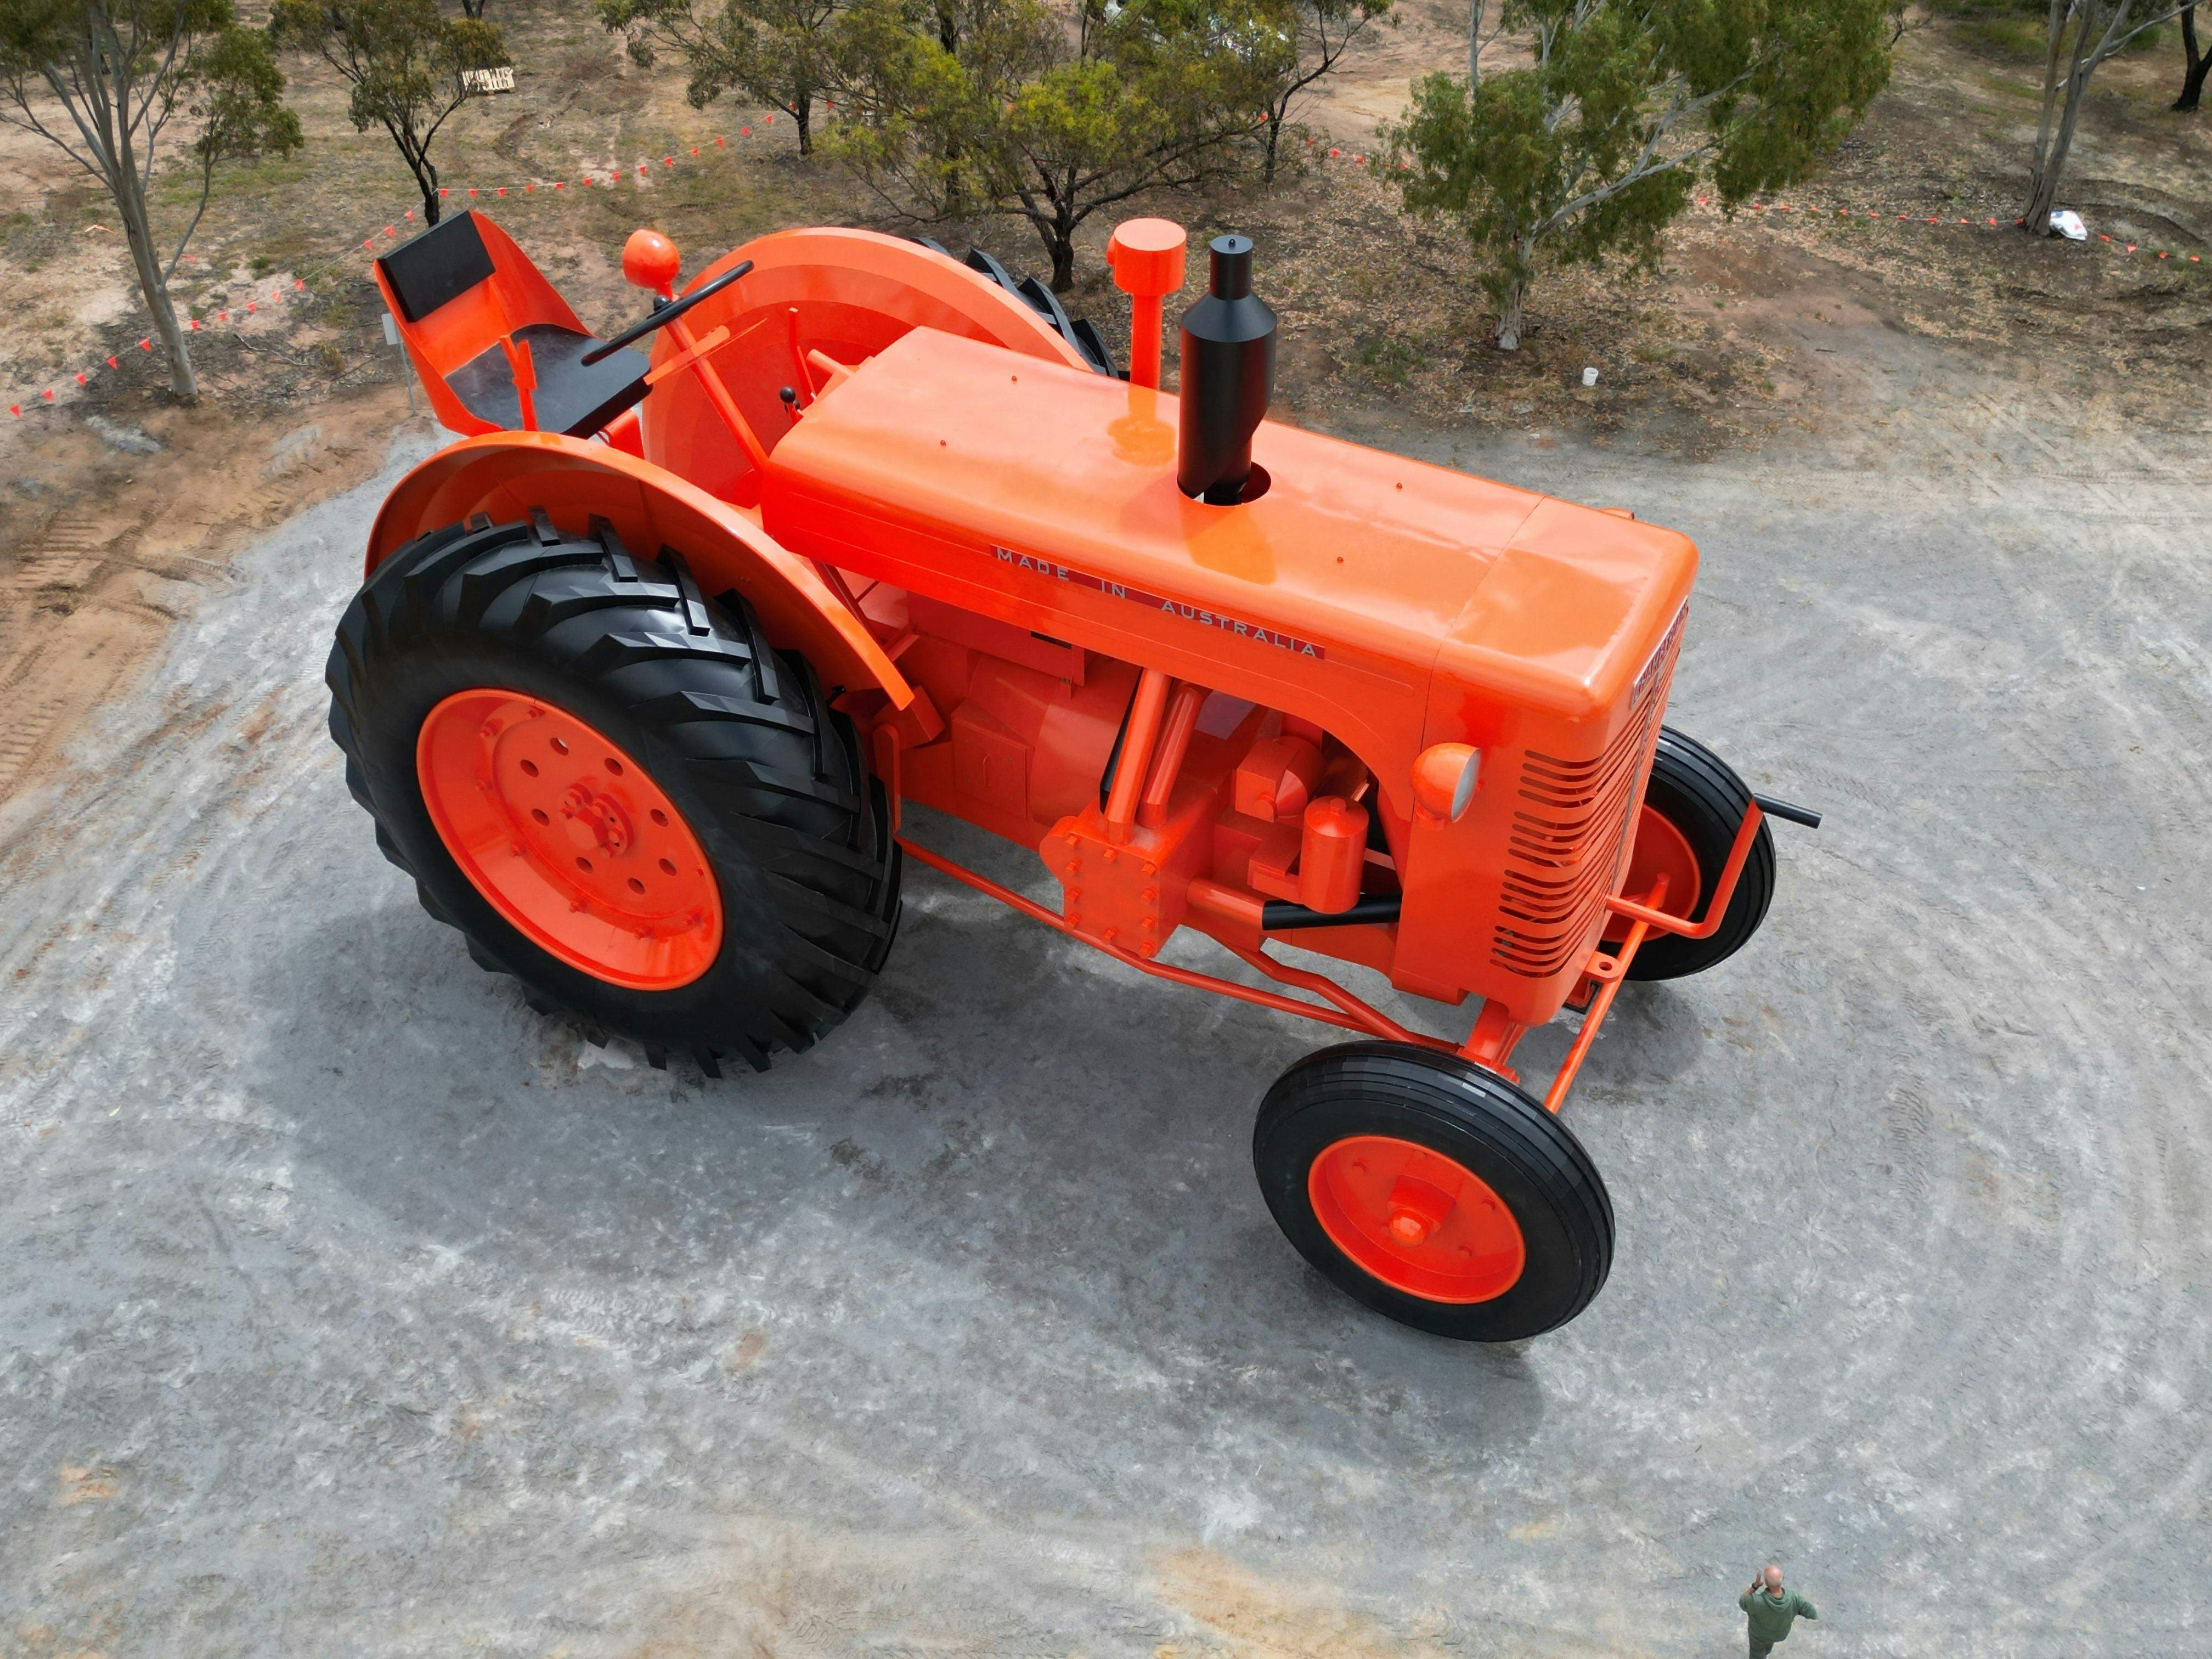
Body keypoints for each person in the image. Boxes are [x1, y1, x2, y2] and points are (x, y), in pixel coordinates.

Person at [1739, 1564, 1817, 1658]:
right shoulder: (1794, 1598)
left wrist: (1755, 1587)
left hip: (1759, 1636)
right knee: (1769, 1643)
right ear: (1783, 1578)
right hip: (1779, 1634)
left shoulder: (1757, 1602)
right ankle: (1765, 1655)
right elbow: (1812, 1612)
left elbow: (1743, 1600)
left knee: (1757, 1652)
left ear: (1766, 1583)